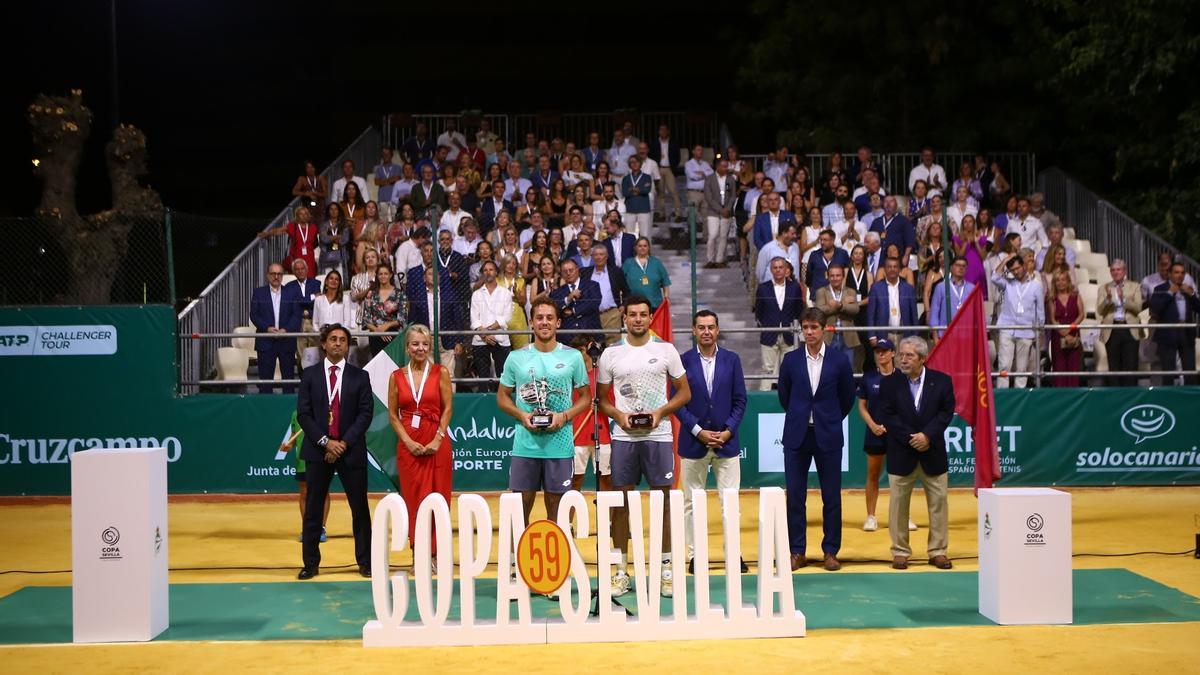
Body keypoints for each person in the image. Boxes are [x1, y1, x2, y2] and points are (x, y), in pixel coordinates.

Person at [598, 296, 691, 597]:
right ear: (624, 318)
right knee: (621, 505)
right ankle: (621, 570)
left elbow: (685, 392)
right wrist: (619, 416)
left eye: (643, 315)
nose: (637, 319)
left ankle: (665, 570)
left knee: (663, 504)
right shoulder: (611, 354)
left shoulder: (665, 350)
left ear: (651, 318)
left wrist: (660, 412)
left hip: (659, 436)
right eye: (632, 315)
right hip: (624, 438)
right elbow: (602, 399)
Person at [497, 298, 591, 533]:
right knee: (520, 506)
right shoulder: (516, 358)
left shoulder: (573, 357)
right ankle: (516, 562)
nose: (544, 322)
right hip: (525, 445)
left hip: (559, 446)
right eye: (539, 318)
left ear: (558, 322)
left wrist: (565, 416)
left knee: (557, 508)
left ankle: (559, 565)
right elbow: (502, 397)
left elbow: (586, 398)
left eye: (550, 318)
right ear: (531, 323)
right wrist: (521, 415)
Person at [778, 307, 856, 571]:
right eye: (805, 327)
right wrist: (803, 415)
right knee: (795, 497)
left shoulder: (839, 360)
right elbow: (784, 398)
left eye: (814, 328)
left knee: (831, 497)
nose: (809, 332)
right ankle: (797, 551)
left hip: (828, 435)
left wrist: (829, 418)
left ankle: (831, 551)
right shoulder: (790, 360)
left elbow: (847, 398)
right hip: (797, 436)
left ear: (825, 329)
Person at [296, 324, 374, 580]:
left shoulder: (360, 376)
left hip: (350, 450)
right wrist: (325, 441)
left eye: (342, 340)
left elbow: (365, 414)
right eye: (333, 339)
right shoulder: (309, 375)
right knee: (313, 510)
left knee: (359, 509)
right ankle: (310, 563)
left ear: (348, 345)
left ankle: (366, 562)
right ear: (324, 344)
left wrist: (343, 443)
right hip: (318, 451)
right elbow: (304, 415)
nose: (338, 343)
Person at [676, 310, 747, 573]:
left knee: (730, 502)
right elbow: (678, 402)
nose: (706, 332)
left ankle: (734, 555)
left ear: (718, 330)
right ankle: (697, 556)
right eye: (701, 327)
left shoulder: (732, 360)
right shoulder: (681, 361)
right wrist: (697, 430)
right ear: (693, 330)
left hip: (726, 443)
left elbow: (740, 400)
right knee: (691, 503)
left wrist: (728, 431)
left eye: (711, 327)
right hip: (694, 442)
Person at [877, 336, 956, 571]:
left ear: (923, 358)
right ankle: (900, 551)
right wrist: (911, 438)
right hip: (902, 452)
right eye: (901, 354)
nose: (903, 359)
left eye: (909, 355)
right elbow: (887, 414)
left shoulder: (942, 381)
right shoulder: (890, 384)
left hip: (933, 452)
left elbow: (946, 412)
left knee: (938, 504)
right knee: (898, 506)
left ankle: (938, 551)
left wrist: (927, 436)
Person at [388, 324, 454, 563]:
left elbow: (448, 409)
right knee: (414, 498)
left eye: (425, 344)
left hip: (437, 445)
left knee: (438, 497)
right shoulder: (396, 377)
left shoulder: (441, 372)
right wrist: (407, 441)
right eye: (415, 344)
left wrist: (438, 439)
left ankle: (436, 555)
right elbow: (393, 414)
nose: (420, 348)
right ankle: (418, 553)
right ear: (407, 348)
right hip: (409, 446)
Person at [856, 338, 915, 533]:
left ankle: (903, 516)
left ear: (893, 354)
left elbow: (908, 406)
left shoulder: (903, 377)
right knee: (873, 475)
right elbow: (862, 406)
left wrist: (898, 428)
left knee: (901, 477)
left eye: (884, 351)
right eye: (877, 351)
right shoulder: (869, 377)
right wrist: (873, 425)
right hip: (875, 433)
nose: (880, 354)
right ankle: (871, 517)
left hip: (897, 435)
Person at [992, 252, 1044, 388]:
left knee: (1022, 369)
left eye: (1018, 268)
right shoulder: (1008, 284)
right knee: (1004, 366)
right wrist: (1006, 260)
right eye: (1012, 270)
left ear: (1024, 266)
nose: (1016, 272)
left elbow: (1040, 312)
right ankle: (1003, 397)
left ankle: (1019, 399)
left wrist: (1038, 333)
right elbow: (994, 277)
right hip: (1007, 328)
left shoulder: (1036, 286)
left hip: (1026, 330)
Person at [278, 409, 330, 542]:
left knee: (323, 492)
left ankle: (321, 528)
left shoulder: (324, 411)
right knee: (304, 493)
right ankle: (308, 528)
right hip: (302, 460)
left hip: (321, 458)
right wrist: (288, 446)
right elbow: (295, 436)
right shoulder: (296, 413)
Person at [250, 263, 302, 394]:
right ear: (268, 276)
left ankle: (288, 412)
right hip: (266, 342)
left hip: (286, 341)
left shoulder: (291, 293)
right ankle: (265, 411)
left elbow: (296, 315)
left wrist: (286, 330)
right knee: (265, 383)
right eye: (273, 274)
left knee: (288, 383)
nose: (276, 277)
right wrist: (267, 328)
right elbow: (254, 315)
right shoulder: (258, 293)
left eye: (279, 274)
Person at [755, 257, 805, 391]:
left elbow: (799, 309)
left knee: (789, 370)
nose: (778, 270)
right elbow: (759, 311)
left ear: (786, 269)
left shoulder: (794, 288)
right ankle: (763, 400)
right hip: (769, 334)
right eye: (775, 268)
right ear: (771, 270)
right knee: (767, 369)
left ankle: (787, 400)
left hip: (790, 334)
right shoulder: (763, 288)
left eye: (780, 267)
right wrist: (767, 326)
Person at [1148, 262, 1200, 385]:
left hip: (1186, 333)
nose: (1179, 275)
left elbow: (1198, 308)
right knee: (1168, 372)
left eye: (1182, 273)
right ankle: (1168, 400)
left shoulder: (1187, 290)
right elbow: (1155, 308)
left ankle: (1189, 399)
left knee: (1190, 371)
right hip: (1168, 334)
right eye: (1176, 272)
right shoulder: (1160, 289)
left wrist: (1192, 295)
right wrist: (1169, 293)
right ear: (1170, 274)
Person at [1096, 258, 1144, 386]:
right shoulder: (1104, 288)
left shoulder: (1135, 286)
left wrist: (1124, 300)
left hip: (1129, 329)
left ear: (1124, 271)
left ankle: (1132, 398)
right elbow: (1100, 311)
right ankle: (1116, 398)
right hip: (1112, 330)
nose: (1116, 272)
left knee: (1131, 365)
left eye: (1118, 269)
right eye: (1113, 270)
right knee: (1114, 367)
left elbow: (1138, 308)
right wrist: (1108, 301)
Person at [469, 260, 514, 391]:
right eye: (485, 270)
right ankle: (483, 403)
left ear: (496, 272)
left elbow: (507, 318)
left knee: (502, 376)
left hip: (500, 339)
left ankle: (501, 405)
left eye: (491, 269)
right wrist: (484, 335)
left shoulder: (505, 293)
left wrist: (487, 331)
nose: (488, 272)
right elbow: (474, 319)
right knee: (483, 377)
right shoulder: (476, 294)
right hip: (480, 341)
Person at [814, 264, 860, 371]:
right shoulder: (821, 291)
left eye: (838, 275)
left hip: (847, 337)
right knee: (827, 370)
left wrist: (839, 305)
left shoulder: (851, 291)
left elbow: (855, 309)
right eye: (832, 276)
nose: (835, 278)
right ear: (828, 277)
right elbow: (820, 310)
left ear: (843, 277)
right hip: (828, 337)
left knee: (847, 370)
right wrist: (842, 304)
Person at [581, 244, 630, 345]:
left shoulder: (616, 272)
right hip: (591, 316)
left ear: (606, 256)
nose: (599, 257)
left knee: (613, 347)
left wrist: (623, 306)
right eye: (596, 255)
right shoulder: (585, 273)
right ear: (592, 257)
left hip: (612, 315)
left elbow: (627, 291)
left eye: (601, 254)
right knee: (592, 346)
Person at [867, 257, 919, 349]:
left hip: (905, 337)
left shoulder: (908, 289)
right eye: (889, 267)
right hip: (883, 336)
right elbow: (871, 315)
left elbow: (914, 315)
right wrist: (872, 335)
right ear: (885, 269)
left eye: (895, 267)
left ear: (899, 269)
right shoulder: (876, 288)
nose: (892, 269)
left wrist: (915, 336)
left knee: (903, 363)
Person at [308, 270, 355, 367]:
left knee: (341, 366)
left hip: (339, 337)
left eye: (337, 279)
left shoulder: (345, 299)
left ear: (339, 283)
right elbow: (315, 323)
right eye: (331, 278)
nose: (334, 281)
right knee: (325, 366)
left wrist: (339, 334)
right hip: (323, 337)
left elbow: (347, 321)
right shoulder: (318, 300)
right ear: (326, 281)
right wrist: (321, 334)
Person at [258, 205, 319, 278]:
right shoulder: (293, 226)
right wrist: (267, 233)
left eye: (306, 214)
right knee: (297, 279)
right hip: (297, 257)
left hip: (309, 258)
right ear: (297, 216)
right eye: (301, 214)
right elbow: (279, 230)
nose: (304, 216)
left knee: (309, 279)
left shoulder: (313, 227)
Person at [1047, 270, 1085, 387]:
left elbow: (1082, 315)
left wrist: (1070, 329)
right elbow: (1052, 319)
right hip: (1058, 336)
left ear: (1068, 281)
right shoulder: (1052, 298)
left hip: (1073, 334)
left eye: (1063, 280)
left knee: (1073, 369)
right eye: (1057, 280)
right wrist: (1064, 333)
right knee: (1060, 370)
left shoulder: (1075, 296)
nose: (1060, 283)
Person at [361, 262, 405, 357]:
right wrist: (378, 331)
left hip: (393, 335)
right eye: (380, 274)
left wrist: (387, 326)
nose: (383, 276)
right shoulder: (371, 294)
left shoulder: (399, 294)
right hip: (375, 335)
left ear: (390, 275)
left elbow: (402, 318)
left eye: (385, 273)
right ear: (377, 276)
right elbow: (366, 319)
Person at [702, 157, 738, 267]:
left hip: (727, 211)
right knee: (712, 235)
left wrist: (727, 208)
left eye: (727, 166)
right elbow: (709, 197)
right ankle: (710, 260)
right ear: (717, 166)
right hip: (713, 211)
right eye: (724, 166)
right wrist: (720, 209)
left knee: (723, 236)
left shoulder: (731, 179)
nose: (726, 168)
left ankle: (719, 260)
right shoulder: (709, 179)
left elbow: (733, 195)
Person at [929, 257, 975, 341]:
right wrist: (935, 338)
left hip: (967, 336)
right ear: (951, 267)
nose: (961, 268)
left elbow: (977, 312)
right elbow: (934, 313)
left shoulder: (972, 288)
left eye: (964, 266)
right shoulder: (941, 287)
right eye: (958, 265)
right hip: (945, 336)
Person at [621, 236, 671, 312]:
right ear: (635, 248)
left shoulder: (656, 263)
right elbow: (620, 283)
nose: (642, 248)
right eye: (640, 246)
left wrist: (666, 297)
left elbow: (665, 282)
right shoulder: (628, 263)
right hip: (634, 305)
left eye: (645, 246)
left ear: (648, 248)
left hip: (654, 304)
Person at [804, 229, 852, 301]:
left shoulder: (842, 254)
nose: (822, 242)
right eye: (821, 240)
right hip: (817, 297)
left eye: (825, 240)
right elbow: (809, 276)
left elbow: (848, 273)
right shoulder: (814, 255)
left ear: (832, 240)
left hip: (838, 297)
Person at [620, 155, 653, 237]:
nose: (634, 164)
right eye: (632, 162)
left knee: (645, 235)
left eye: (636, 162)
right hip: (630, 209)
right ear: (629, 164)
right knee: (629, 235)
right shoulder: (626, 178)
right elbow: (625, 193)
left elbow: (646, 190)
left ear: (640, 163)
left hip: (644, 209)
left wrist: (632, 189)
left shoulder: (647, 177)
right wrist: (639, 190)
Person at [318, 203, 350, 280]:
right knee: (327, 278)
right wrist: (336, 237)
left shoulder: (344, 224)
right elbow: (323, 238)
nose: (333, 211)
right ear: (328, 211)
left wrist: (329, 237)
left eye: (335, 209)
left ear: (339, 211)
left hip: (340, 254)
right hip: (326, 255)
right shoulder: (323, 225)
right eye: (331, 209)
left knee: (340, 278)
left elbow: (345, 239)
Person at [373, 148, 401, 224]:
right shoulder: (378, 168)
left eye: (387, 154)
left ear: (391, 155)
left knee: (395, 222)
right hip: (382, 199)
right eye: (383, 154)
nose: (385, 156)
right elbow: (377, 182)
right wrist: (390, 180)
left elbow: (397, 179)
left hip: (394, 199)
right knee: (382, 222)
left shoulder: (397, 167)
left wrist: (383, 181)